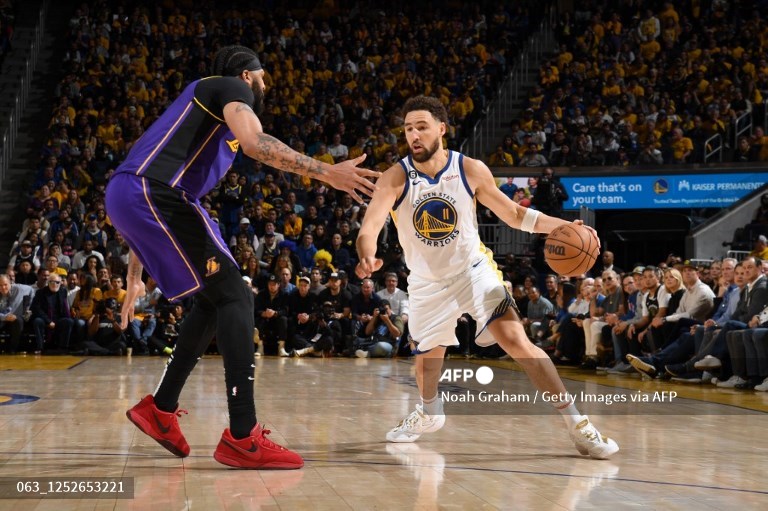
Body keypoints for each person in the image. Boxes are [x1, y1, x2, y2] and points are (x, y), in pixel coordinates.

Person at [105, 45, 378, 470]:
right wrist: (329, 171)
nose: (265, 85)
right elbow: (254, 143)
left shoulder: (195, 111)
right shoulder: (232, 87)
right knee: (237, 296)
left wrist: (135, 275)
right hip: (156, 194)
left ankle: (160, 409)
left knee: (216, 299)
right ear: (248, 76)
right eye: (263, 77)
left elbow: (136, 180)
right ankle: (242, 436)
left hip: (137, 196)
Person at [355, 96, 618, 459]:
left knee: (516, 340)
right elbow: (369, 227)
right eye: (408, 129)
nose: (413, 135)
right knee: (426, 362)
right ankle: (430, 411)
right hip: (426, 282)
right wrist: (367, 253)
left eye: (421, 127)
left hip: (472, 270)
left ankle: (579, 425)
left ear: (441, 129)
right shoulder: (395, 177)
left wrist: (562, 226)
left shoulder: (469, 169)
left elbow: (514, 215)